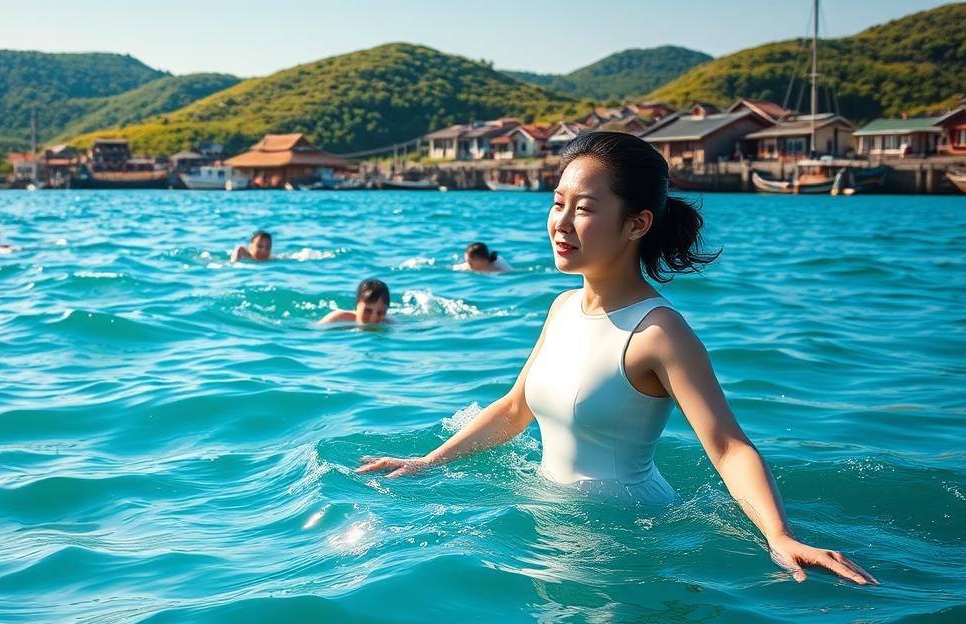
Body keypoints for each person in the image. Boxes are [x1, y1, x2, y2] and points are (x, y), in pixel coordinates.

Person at [357, 131, 876, 586]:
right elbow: (516, 409)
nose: (561, 223)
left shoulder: (658, 332)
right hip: (552, 532)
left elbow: (727, 446)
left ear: (636, 223)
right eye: (557, 203)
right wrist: (428, 463)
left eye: (583, 209)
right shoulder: (562, 307)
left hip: (632, 544)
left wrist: (779, 536)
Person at [319, 279, 391, 325]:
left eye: (380, 313)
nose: (373, 318)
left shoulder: (390, 324)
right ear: (356, 306)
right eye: (367, 311)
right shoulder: (338, 318)